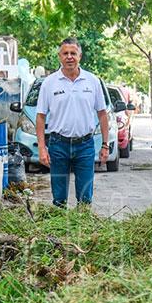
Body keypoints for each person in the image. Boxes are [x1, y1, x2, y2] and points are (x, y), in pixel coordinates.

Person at [36, 37, 110, 208]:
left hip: (85, 145)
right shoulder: (49, 83)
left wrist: (105, 145)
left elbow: (102, 114)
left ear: (80, 56)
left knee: (85, 198)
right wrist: (42, 147)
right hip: (58, 145)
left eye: (73, 53)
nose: (69, 57)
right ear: (59, 56)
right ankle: (60, 233)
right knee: (59, 199)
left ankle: (83, 231)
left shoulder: (92, 81)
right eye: (65, 53)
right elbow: (40, 116)